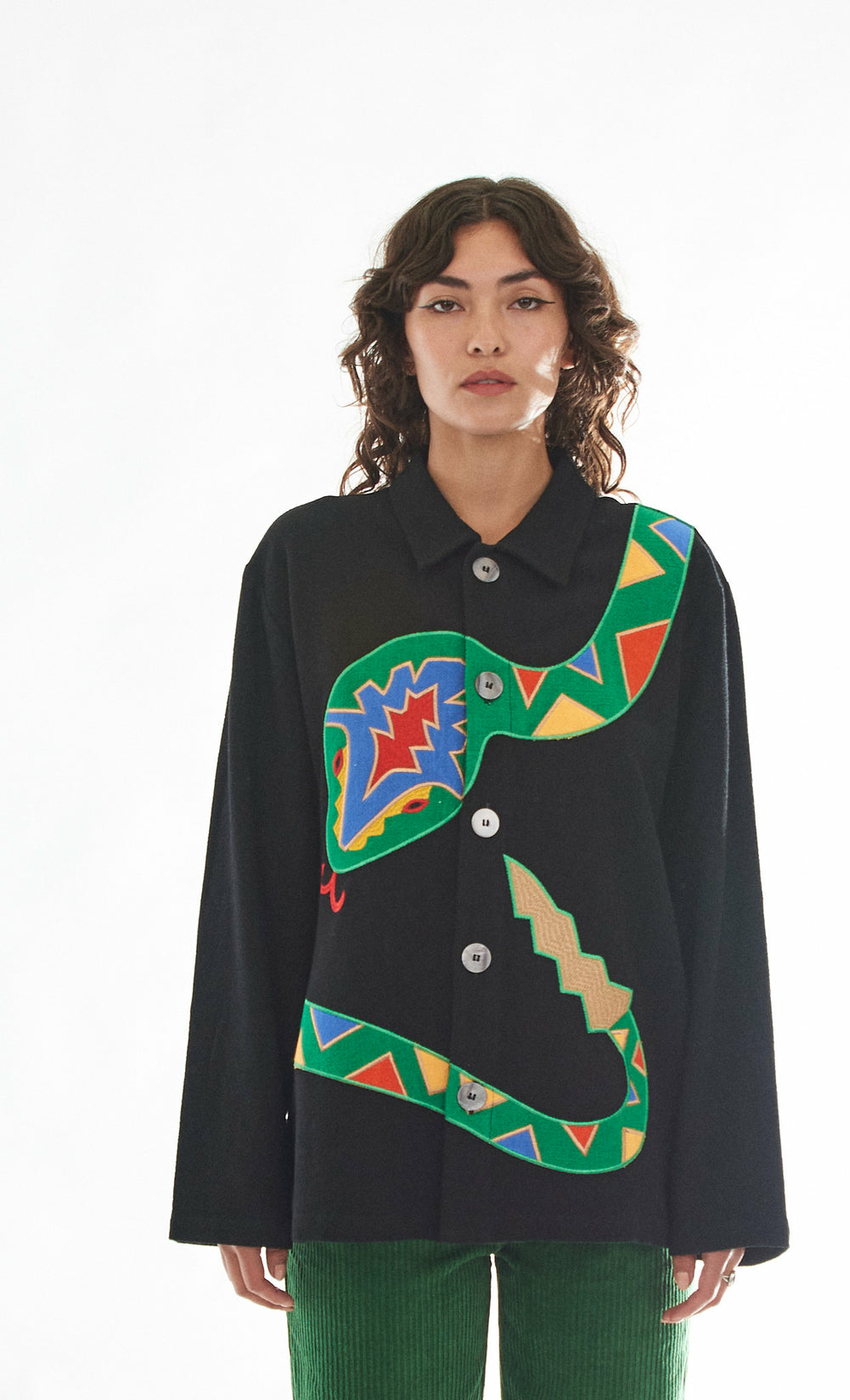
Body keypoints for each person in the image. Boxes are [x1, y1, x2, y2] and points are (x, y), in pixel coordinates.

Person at [169, 176, 789, 1399]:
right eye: (447, 303)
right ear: (399, 338)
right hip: (364, 1138)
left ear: (578, 336)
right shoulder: (309, 565)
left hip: (614, 1155)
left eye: (524, 300)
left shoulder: (663, 574)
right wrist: (240, 1170)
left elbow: (714, 883)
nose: (486, 336)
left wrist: (724, 1180)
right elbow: (259, 866)